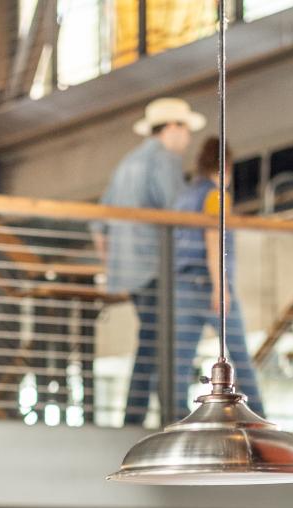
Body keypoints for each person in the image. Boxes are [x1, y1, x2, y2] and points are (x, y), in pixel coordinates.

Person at [100, 97, 203, 426]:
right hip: (157, 268)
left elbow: (98, 222)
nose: (188, 139)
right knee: (161, 342)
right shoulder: (164, 160)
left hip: (129, 271)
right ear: (172, 127)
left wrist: (111, 264)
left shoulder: (126, 163)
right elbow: (180, 210)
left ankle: (137, 415)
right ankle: (169, 413)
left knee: (150, 340)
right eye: (186, 130)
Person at [170, 138, 264, 413]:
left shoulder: (185, 196)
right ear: (227, 167)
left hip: (182, 284)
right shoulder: (215, 195)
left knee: (181, 362)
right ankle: (259, 416)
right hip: (208, 283)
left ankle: (175, 420)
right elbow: (214, 238)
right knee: (240, 356)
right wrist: (220, 286)